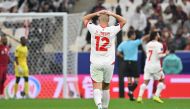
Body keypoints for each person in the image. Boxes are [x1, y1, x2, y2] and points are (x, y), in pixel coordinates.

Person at [83, 10, 126, 109]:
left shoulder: (93, 28)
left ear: (98, 19)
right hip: (109, 63)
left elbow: (85, 18)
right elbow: (123, 21)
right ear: (109, 20)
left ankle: (99, 105)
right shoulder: (112, 30)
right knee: (106, 86)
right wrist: (112, 14)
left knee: (96, 85)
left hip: (95, 62)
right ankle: (105, 107)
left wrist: (95, 13)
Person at [137, 31, 168, 103]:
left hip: (147, 65)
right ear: (156, 36)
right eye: (158, 34)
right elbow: (159, 55)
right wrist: (165, 54)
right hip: (156, 65)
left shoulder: (148, 44)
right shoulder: (159, 44)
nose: (159, 35)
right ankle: (156, 96)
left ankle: (139, 97)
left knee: (145, 82)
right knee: (162, 79)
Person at [117, 30, 149, 101]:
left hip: (126, 62)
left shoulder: (123, 43)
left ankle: (131, 96)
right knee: (137, 80)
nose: (135, 36)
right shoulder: (135, 43)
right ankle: (130, 91)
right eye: (134, 35)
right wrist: (151, 34)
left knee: (129, 80)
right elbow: (143, 38)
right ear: (131, 36)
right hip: (133, 63)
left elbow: (118, 53)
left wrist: (123, 56)